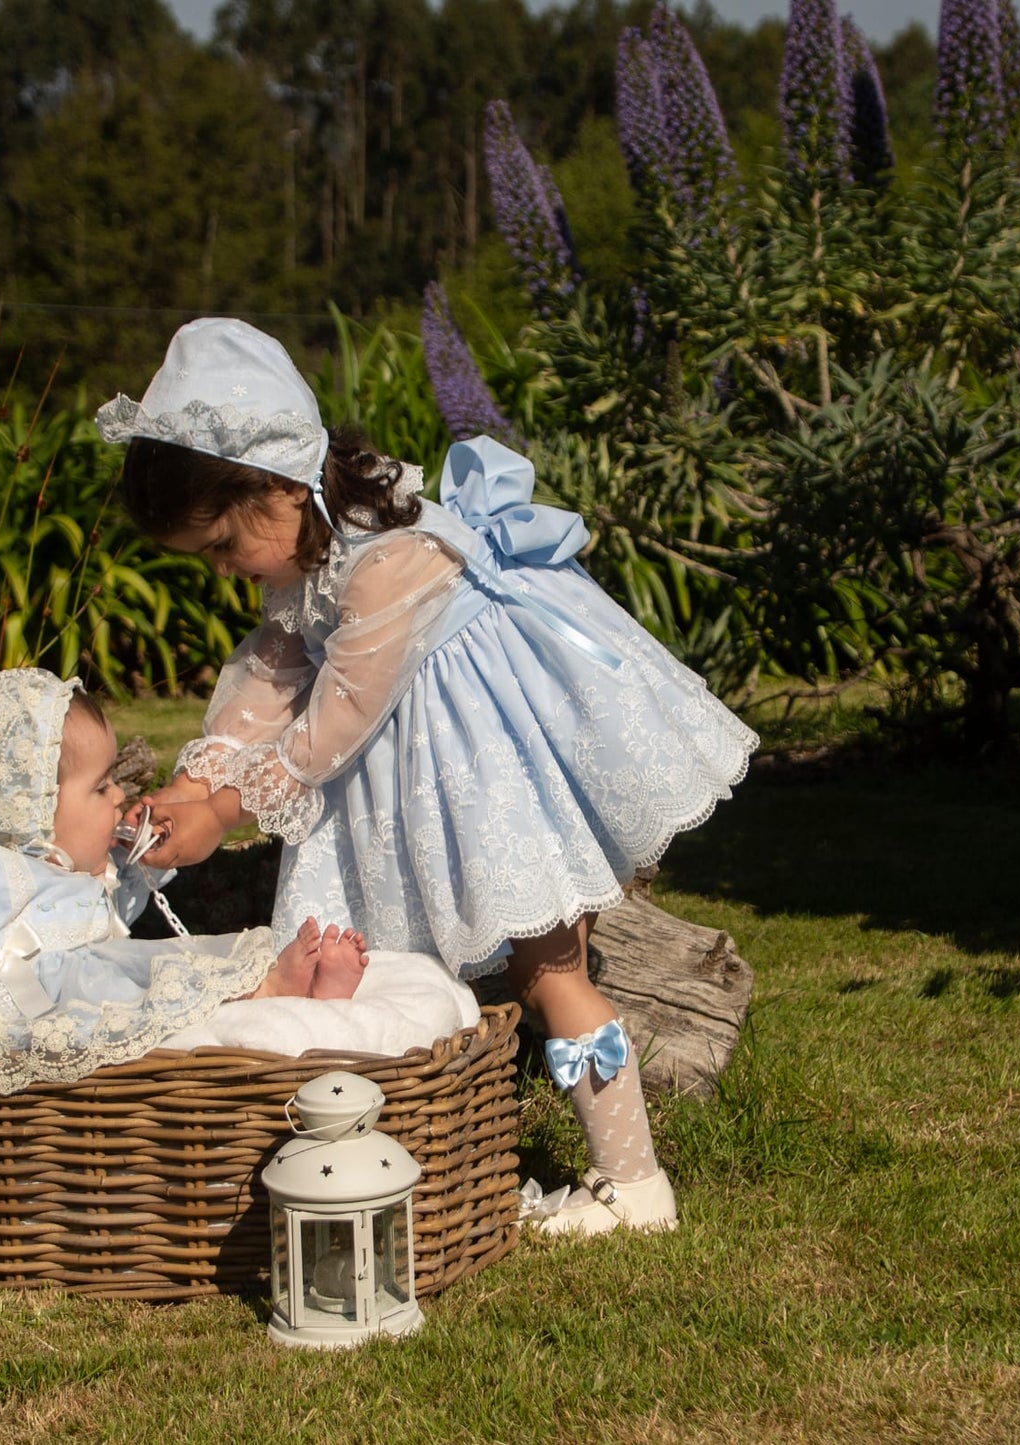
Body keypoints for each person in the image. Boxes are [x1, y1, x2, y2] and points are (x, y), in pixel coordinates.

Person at [96, 317, 760, 1234]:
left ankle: (633, 1181)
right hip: (439, 763)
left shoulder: (390, 554)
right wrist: (199, 778)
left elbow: (338, 716)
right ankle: (419, 1153)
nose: (221, 570)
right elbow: (273, 669)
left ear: (276, 487)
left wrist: (229, 805)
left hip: (497, 771)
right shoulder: (314, 544)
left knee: (548, 970)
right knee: (478, 971)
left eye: (220, 547)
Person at [0, 667, 367, 1099]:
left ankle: (283, 1001)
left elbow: (107, 910)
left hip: (81, 980)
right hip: (7, 1001)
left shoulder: (69, 866)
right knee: (161, 1001)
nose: (119, 794)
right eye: (100, 788)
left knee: (167, 985)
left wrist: (141, 852)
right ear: (30, 809)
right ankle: (274, 994)